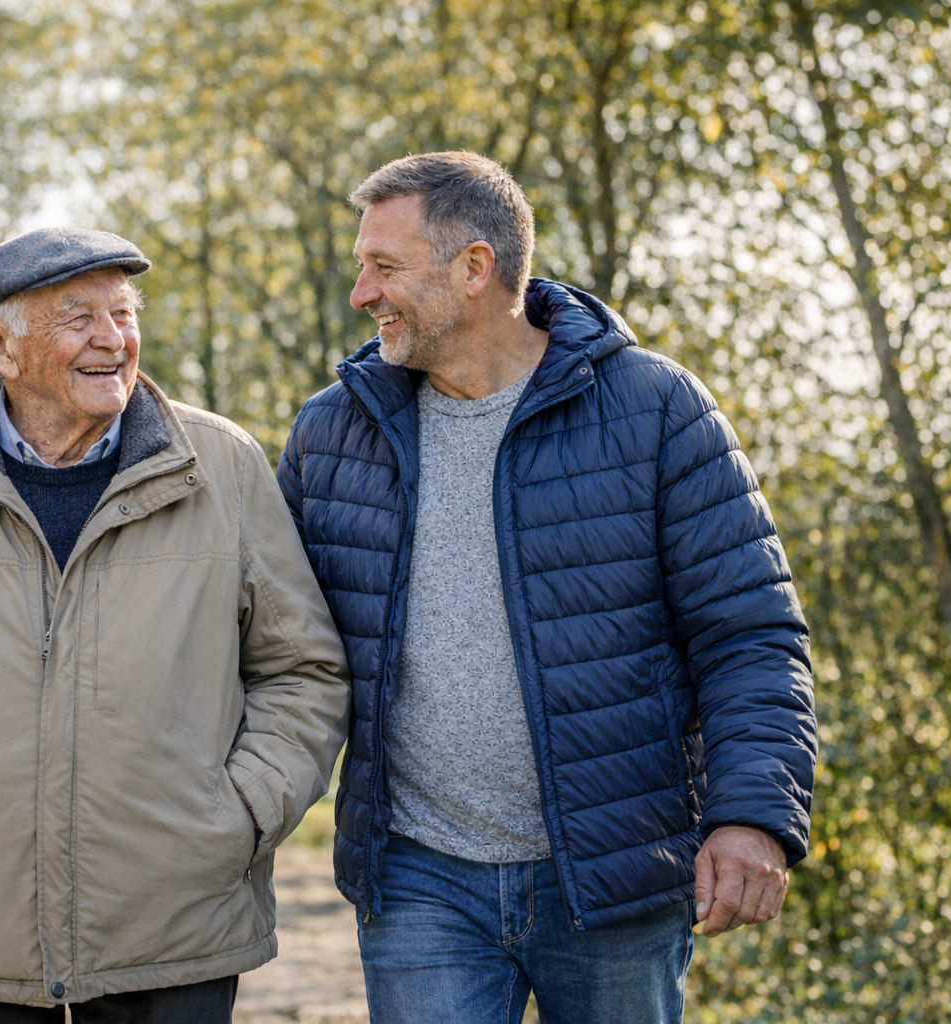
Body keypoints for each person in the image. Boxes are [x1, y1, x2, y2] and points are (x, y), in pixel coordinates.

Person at [276, 152, 816, 1023]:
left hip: (616, 870)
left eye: (383, 268)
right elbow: (271, 643)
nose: (361, 294)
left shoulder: (655, 410)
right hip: (418, 876)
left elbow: (750, 635)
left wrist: (750, 816)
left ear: (475, 268)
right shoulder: (336, 431)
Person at [0, 227, 350, 1023]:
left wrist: (241, 815)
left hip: (174, 925)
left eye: (123, 313)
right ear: (1, 347)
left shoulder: (223, 466)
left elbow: (302, 669)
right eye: (79, 318)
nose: (113, 339)